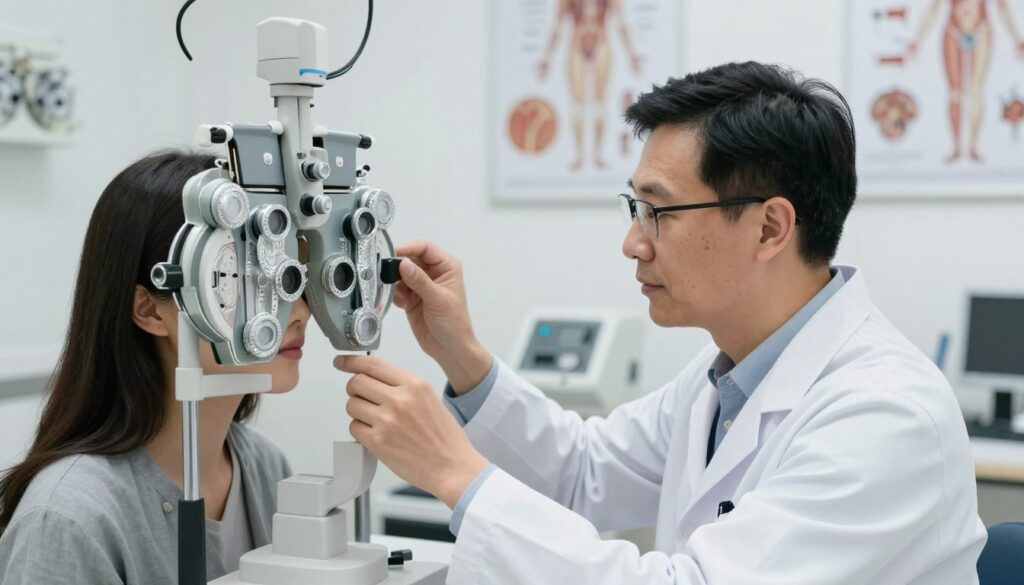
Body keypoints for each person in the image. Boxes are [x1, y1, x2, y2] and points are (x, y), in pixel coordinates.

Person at [336, 62, 988, 584]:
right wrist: (464, 357)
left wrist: (454, 472)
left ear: (769, 227)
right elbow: (584, 473)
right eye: (634, 206)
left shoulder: (888, 417)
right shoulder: (723, 379)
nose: (633, 243)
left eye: (659, 212)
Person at [0, 151, 309, 584]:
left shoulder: (265, 466)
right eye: (245, 279)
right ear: (150, 310)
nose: (296, 313)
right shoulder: (69, 519)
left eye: (290, 278)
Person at [906, 0, 1024, 162]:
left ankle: (973, 147)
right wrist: (917, 39)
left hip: (981, 31)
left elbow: (1002, 6)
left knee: (975, 91)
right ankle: (956, 147)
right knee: (955, 93)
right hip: (953, 31)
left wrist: (1017, 38)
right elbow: (934, 7)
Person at [537, 0, 642, 170]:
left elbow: (621, 22)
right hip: (576, 42)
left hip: (601, 41)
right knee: (577, 101)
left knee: (599, 100)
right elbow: (557, 24)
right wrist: (546, 58)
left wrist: (632, 54)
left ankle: (597, 155)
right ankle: (579, 156)